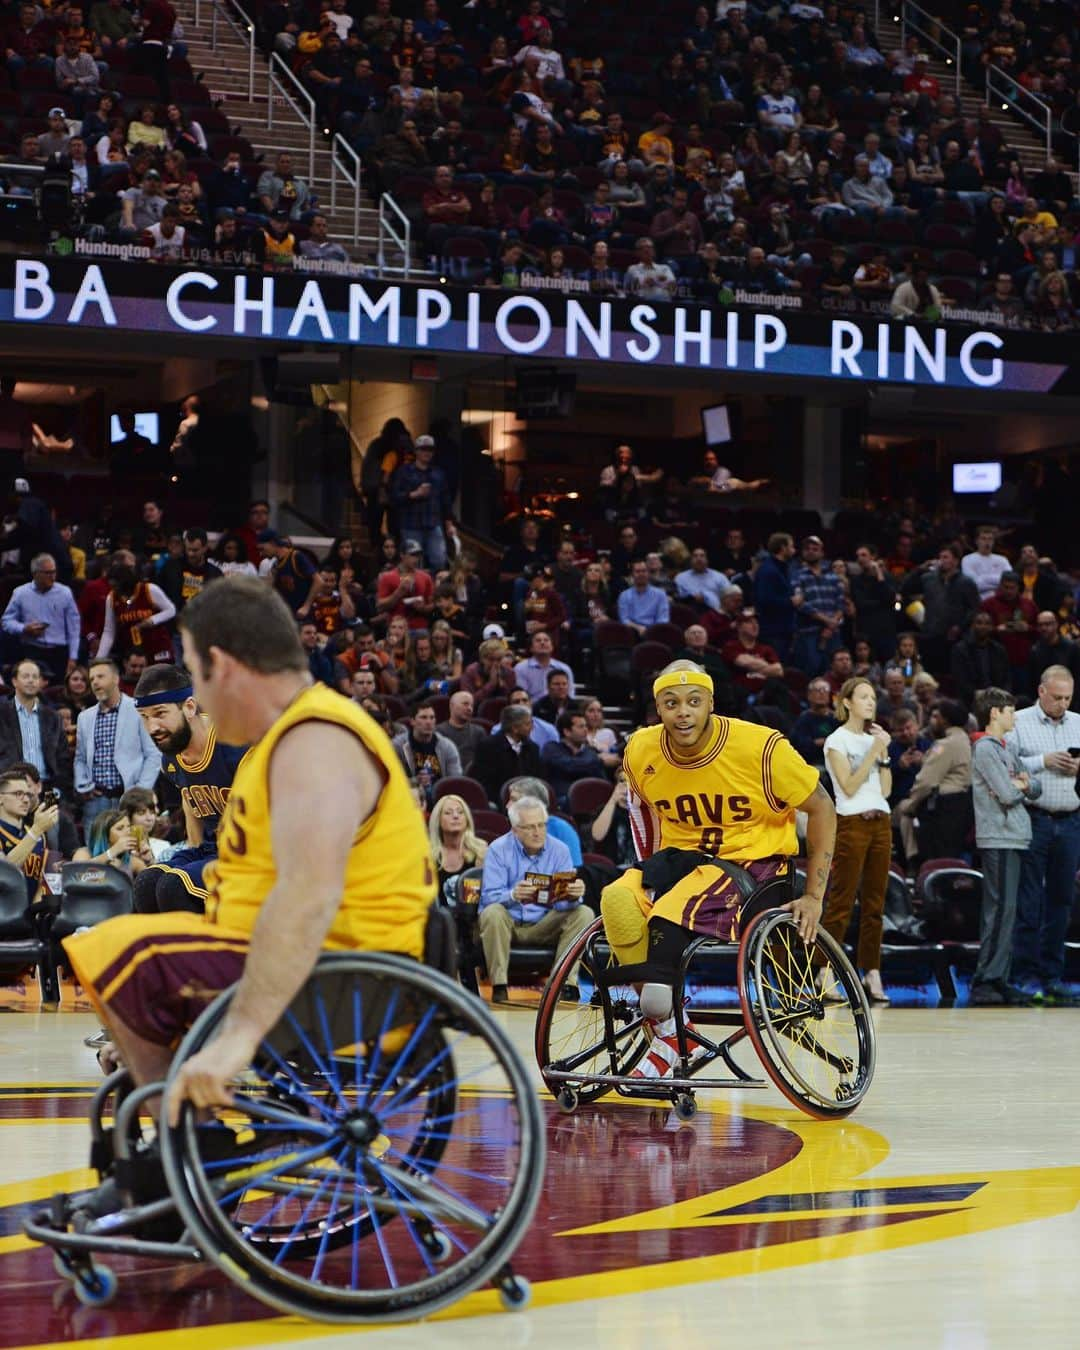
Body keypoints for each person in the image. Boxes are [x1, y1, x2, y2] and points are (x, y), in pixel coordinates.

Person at [62, 576, 437, 1185]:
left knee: (121, 953)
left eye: (194, 675)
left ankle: (190, 1163)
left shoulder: (316, 740)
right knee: (135, 950)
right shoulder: (279, 742)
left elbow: (307, 897)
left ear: (221, 666)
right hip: (306, 955)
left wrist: (236, 1038)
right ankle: (190, 1161)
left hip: (347, 970)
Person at [600, 661, 834, 1079]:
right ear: (658, 708)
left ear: (711, 702)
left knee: (673, 912)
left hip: (756, 866)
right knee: (616, 897)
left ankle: (659, 1014)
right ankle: (670, 1028)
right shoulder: (640, 749)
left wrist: (814, 895)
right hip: (685, 861)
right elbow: (643, 807)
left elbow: (822, 808)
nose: (683, 712)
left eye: (693, 701)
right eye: (671, 703)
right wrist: (648, 869)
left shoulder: (762, 748)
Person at [130, 664, 247, 915]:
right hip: (212, 849)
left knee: (175, 886)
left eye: (160, 713)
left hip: (252, 855)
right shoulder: (171, 759)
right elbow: (189, 799)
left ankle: (209, 953)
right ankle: (169, 954)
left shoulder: (236, 745)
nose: (152, 728)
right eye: (144, 717)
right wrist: (193, 848)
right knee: (146, 883)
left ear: (190, 707)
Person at [1005, 665, 1080, 1002]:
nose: (1063, 704)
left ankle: (1052, 976)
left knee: (1062, 901)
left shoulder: (1079, 723)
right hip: (1033, 818)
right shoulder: (1018, 722)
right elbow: (1005, 767)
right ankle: (1024, 975)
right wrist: (1043, 761)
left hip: (1071, 819)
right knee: (1030, 900)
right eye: (1057, 697)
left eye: (1068, 698)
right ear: (1041, 692)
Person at [478, 794, 592, 1004]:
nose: (538, 832)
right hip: (508, 924)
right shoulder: (497, 849)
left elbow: (564, 904)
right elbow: (487, 898)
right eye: (530, 827)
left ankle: (566, 985)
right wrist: (513, 895)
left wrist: (574, 895)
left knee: (584, 912)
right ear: (515, 830)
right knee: (492, 912)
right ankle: (499, 986)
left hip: (544, 923)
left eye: (541, 825)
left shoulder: (560, 850)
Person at [820, 678, 893, 1004]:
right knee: (841, 903)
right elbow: (848, 786)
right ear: (846, 702)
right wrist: (873, 752)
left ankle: (871, 971)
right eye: (863, 696)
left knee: (876, 905)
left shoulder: (872, 740)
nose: (870, 702)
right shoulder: (838, 740)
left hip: (881, 819)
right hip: (851, 821)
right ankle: (824, 971)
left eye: (873, 697)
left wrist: (885, 755)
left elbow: (886, 789)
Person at [969, 688, 1041, 1007]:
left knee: (1007, 911)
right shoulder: (985, 749)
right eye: (1010, 711)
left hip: (1014, 836)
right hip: (998, 836)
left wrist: (1021, 784)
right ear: (994, 713)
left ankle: (1000, 977)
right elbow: (1007, 793)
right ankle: (986, 979)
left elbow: (1034, 786)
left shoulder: (1007, 748)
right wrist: (1020, 784)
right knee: (998, 911)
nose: (1014, 716)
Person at [74, 658, 161, 833]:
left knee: (131, 854)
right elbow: (80, 757)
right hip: (96, 800)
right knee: (94, 857)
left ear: (116, 679)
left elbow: (153, 755)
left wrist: (140, 792)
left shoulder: (138, 710)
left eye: (100, 677)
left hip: (129, 799)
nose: (95, 682)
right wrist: (83, 785)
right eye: (92, 679)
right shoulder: (85, 717)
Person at [895, 699, 973, 865]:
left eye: (937, 717)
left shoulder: (944, 745)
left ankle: (912, 863)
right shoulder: (965, 741)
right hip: (960, 808)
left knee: (902, 812)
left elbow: (925, 783)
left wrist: (911, 804)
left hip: (941, 810)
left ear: (944, 720)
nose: (933, 721)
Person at [1, 553, 80, 681]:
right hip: (31, 650)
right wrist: (24, 628)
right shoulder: (20, 593)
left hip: (59, 653)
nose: (53, 577)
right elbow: (6, 621)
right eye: (48, 573)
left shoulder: (65, 593)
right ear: (35, 573)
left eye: (54, 572)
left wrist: (73, 658)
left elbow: (74, 629)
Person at [0, 658, 71, 791]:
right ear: (14, 681)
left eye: (35, 677)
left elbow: (63, 758)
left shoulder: (53, 717)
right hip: (9, 788)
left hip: (47, 788)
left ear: (40, 682)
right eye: (26, 676)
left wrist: (59, 789)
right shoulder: (2, 714)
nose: (31, 680)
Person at [96, 560, 176, 665]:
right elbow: (109, 631)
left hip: (158, 647)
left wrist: (152, 620)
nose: (113, 589)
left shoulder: (149, 589)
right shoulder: (111, 598)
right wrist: (99, 659)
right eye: (111, 586)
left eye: (116, 586)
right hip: (132, 653)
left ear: (125, 583)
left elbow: (171, 610)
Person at [390, 434, 452, 570]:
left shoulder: (438, 474)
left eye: (430, 450)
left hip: (433, 523)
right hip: (410, 524)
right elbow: (394, 496)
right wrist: (414, 494)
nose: (427, 453)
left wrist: (449, 524)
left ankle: (435, 589)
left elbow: (445, 500)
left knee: (439, 559)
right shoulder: (404, 472)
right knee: (413, 561)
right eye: (423, 449)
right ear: (416, 451)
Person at [0, 768, 56, 903]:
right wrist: (36, 831)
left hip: (28, 917)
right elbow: (4, 873)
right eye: (18, 794)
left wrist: (37, 912)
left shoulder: (38, 836)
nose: (26, 800)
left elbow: (45, 881)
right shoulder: (36, 832)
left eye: (28, 794)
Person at [392, 700, 462, 805]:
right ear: (413, 721)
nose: (428, 722)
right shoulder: (398, 746)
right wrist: (415, 781)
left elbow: (455, 782)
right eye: (423, 717)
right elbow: (392, 781)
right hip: (407, 798)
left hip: (441, 799)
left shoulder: (447, 746)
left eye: (432, 718)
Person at [471, 704, 542, 805]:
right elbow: (484, 782)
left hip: (528, 800)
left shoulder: (533, 748)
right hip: (497, 800)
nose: (532, 728)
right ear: (514, 728)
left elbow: (538, 779)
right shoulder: (488, 746)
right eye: (527, 724)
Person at [541, 709, 605, 808]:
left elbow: (602, 780)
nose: (586, 730)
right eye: (581, 727)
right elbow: (569, 766)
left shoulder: (590, 752)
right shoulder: (552, 748)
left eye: (586, 726)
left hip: (589, 802)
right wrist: (598, 760)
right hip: (560, 802)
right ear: (567, 731)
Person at [428, 792, 487, 898]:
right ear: (438, 821)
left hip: (472, 911)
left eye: (460, 812)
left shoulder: (480, 851)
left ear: (467, 819)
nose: (455, 816)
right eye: (448, 813)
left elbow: (476, 899)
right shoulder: (429, 854)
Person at [949, 610, 1010, 706]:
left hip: (997, 699)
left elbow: (1006, 678)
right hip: (971, 700)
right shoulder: (960, 650)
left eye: (987, 623)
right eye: (979, 623)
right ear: (972, 625)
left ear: (992, 627)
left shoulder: (999, 650)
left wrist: (1001, 695)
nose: (983, 627)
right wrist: (980, 695)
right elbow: (961, 680)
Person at [160, 529, 224, 616]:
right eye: (188, 549)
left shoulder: (215, 574)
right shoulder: (170, 567)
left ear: (205, 548)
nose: (190, 554)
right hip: (174, 620)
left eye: (195, 550)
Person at [753, 532, 796, 663]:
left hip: (784, 628)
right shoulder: (768, 570)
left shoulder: (783, 568)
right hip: (773, 630)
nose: (794, 550)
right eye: (791, 546)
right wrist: (790, 602)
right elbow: (763, 599)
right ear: (783, 548)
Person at [375, 537, 434, 631]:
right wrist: (398, 593)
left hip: (420, 628)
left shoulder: (426, 577)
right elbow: (379, 607)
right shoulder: (387, 577)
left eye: (418, 555)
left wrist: (423, 608)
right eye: (412, 555)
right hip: (396, 629)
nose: (416, 559)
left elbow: (433, 605)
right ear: (402, 555)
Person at [256, 531, 315, 615]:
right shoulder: (276, 565)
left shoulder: (296, 557)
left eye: (262, 549)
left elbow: (319, 581)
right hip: (287, 613)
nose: (261, 554)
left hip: (302, 613)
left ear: (272, 543)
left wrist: (306, 606)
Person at [790, 678, 839, 768]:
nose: (821, 693)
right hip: (813, 764)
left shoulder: (837, 718)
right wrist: (821, 743)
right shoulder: (803, 720)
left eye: (825, 690)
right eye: (817, 690)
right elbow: (800, 746)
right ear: (809, 695)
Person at [513, 630, 574, 702]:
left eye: (546, 640)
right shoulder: (521, 668)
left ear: (552, 647)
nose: (542, 643)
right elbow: (521, 696)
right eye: (538, 641)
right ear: (531, 648)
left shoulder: (564, 668)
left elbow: (570, 695)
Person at [617, 558, 671, 634]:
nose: (641, 574)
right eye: (638, 571)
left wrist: (650, 631)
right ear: (632, 575)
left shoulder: (660, 594)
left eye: (644, 571)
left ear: (648, 573)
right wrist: (638, 628)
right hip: (632, 632)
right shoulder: (624, 595)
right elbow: (624, 620)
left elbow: (663, 619)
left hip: (656, 632)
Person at [436, 689, 484, 774]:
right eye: (465, 704)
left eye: (472, 705)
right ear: (452, 706)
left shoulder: (479, 732)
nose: (469, 708)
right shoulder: (438, 732)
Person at [962, 526, 1011, 600]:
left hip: (1000, 603)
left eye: (990, 539)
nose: (987, 542)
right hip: (977, 603)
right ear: (976, 541)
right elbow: (974, 585)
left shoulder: (1002, 560)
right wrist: (998, 582)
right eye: (983, 539)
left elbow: (1009, 581)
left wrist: (983, 578)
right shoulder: (967, 559)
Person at [674, 547, 730, 612]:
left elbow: (729, 596)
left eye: (702, 556)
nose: (699, 559)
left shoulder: (719, 577)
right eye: (695, 556)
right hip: (689, 613)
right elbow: (677, 597)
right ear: (690, 560)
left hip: (715, 613)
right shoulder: (681, 578)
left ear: (707, 559)